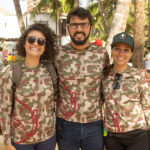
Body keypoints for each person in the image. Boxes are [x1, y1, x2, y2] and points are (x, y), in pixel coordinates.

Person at [55, 7, 109, 150]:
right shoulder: (59, 54)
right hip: (65, 124)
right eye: (74, 25)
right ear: (68, 27)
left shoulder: (101, 53)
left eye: (84, 24)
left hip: (94, 124)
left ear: (90, 27)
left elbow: (107, 82)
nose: (79, 29)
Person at [0, 23, 57, 150]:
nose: (35, 43)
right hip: (21, 141)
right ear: (24, 43)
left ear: (45, 47)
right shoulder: (11, 72)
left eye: (41, 41)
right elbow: (4, 110)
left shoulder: (51, 70)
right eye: (31, 39)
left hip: (47, 138)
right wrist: (7, 141)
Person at [102, 32, 150, 150]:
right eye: (117, 49)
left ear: (131, 53)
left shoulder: (139, 75)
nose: (121, 53)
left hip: (137, 135)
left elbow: (147, 105)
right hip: (113, 136)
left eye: (126, 50)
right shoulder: (103, 75)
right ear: (111, 50)